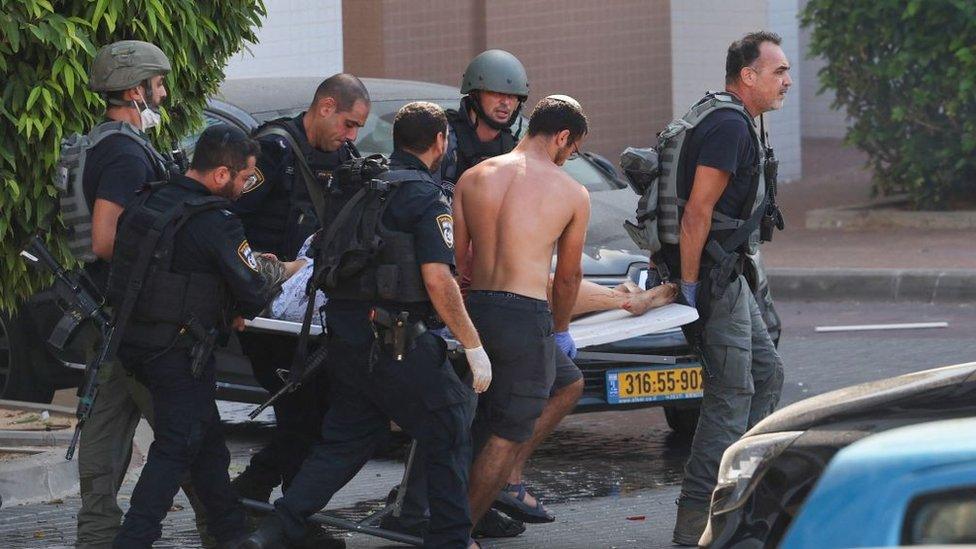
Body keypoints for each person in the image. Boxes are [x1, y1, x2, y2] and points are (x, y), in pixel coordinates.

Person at [242, 101, 489, 549]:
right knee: (451, 424)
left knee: (347, 441)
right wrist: (472, 345)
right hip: (399, 340)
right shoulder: (426, 196)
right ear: (440, 141)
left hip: (346, 338)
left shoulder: (358, 184)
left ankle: (274, 530)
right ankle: (454, 539)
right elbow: (439, 279)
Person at [106, 124, 299, 547]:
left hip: (134, 342)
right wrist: (286, 269)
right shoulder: (216, 220)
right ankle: (134, 539)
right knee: (177, 447)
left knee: (208, 444)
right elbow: (253, 288)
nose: (247, 187)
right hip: (178, 351)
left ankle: (230, 533)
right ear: (221, 175)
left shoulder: (148, 199)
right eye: (245, 178)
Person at [73, 40, 211, 549]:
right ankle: (219, 529)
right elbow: (107, 239)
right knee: (184, 435)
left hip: (110, 315)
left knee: (104, 436)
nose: (165, 93)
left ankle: (96, 538)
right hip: (134, 320)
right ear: (137, 90)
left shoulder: (104, 143)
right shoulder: (126, 154)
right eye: (159, 84)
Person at [229, 74, 370, 522]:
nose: (352, 137)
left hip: (315, 309)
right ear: (325, 107)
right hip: (268, 311)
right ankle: (292, 523)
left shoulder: (345, 157)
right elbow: (227, 223)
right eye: (348, 124)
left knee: (315, 413)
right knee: (300, 410)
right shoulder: (272, 151)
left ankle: (254, 490)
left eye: (357, 130)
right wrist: (246, 290)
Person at [666, 32, 789, 545]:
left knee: (766, 373)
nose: (786, 81)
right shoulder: (726, 125)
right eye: (778, 71)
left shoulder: (736, 120)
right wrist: (691, 291)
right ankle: (699, 521)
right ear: (748, 76)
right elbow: (697, 211)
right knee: (731, 392)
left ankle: (742, 497)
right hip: (714, 278)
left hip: (728, 273)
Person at [452, 95, 591, 535]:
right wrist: (562, 329)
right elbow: (567, 279)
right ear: (563, 137)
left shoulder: (472, 178)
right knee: (508, 431)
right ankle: (459, 533)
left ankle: (484, 500)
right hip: (525, 313)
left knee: (563, 384)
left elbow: (458, 265)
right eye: (573, 150)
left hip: (474, 311)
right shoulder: (571, 192)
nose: (571, 159)